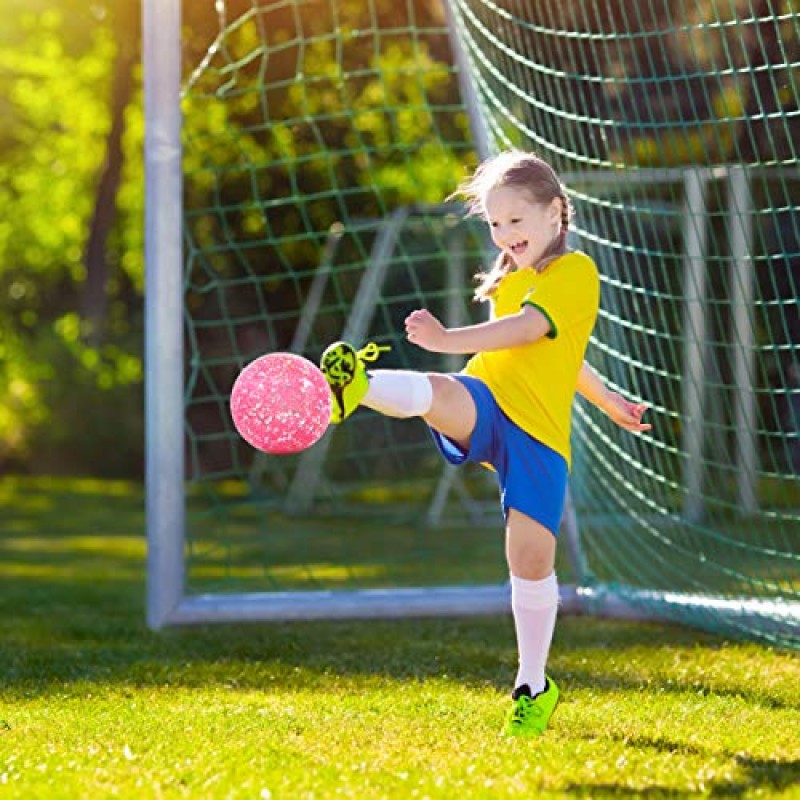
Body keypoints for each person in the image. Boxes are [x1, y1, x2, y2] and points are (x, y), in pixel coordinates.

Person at [319, 150, 651, 737]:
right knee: (447, 392)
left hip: (538, 436)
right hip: (489, 398)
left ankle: (533, 684)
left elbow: (538, 336)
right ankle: (358, 387)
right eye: (495, 224)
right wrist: (455, 349)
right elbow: (523, 344)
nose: (504, 235)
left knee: (529, 559)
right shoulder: (510, 277)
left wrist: (609, 404)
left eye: (515, 221)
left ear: (554, 212)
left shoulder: (575, 274)